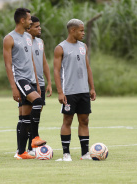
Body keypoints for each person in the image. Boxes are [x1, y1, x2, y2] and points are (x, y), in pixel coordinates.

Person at [3, 8, 47, 159]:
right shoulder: (9, 38)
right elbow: (8, 65)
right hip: (20, 79)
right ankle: (35, 137)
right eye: (29, 19)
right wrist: (14, 87)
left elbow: (32, 61)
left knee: (25, 118)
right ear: (22, 20)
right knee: (38, 102)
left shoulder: (28, 37)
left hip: (32, 80)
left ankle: (21, 152)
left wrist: (38, 84)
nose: (31, 21)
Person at [53, 19, 96, 161]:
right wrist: (60, 91)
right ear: (73, 30)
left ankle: (85, 154)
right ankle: (66, 154)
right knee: (67, 121)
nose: (83, 33)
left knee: (84, 121)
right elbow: (56, 71)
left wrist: (92, 88)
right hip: (69, 92)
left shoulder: (84, 46)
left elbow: (87, 67)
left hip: (83, 91)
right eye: (81, 30)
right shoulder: (60, 48)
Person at [14, 16, 52, 157]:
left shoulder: (40, 42)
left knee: (35, 115)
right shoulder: (23, 41)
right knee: (23, 117)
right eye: (36, 26)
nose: (39, 28)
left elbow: (44, 62)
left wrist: (48, 82)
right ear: (28, 28)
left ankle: (30, 148)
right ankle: (20, 149)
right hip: (26, 81)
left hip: (39, 83)